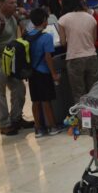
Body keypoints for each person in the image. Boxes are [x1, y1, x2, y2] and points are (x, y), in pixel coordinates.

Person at [0, 0, 32, 135]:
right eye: (11, 3)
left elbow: (25, 24)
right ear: (1, 4)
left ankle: (16, 118)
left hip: (9, 58)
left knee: (19, 89)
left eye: (15, 2)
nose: (15, 5)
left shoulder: (12, 17)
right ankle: (4, 124)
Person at [26, 8, 63, 137]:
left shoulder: (27, 35)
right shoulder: (46, 36)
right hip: (43, 72)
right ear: (43, 20)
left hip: (32, 73)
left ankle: (38, 129)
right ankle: (52, 126)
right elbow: (48, 57)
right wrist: (54, 74)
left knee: (35, 100)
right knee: (46, 100)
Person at [57, 0, 98, 103]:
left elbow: (62, 42)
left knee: (79, 93)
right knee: (94, 91)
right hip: (92, 57)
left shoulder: (63, 19)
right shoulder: (90, 18)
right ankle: (96, 117)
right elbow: (94, 40)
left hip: (74, 58)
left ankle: (85, 119)